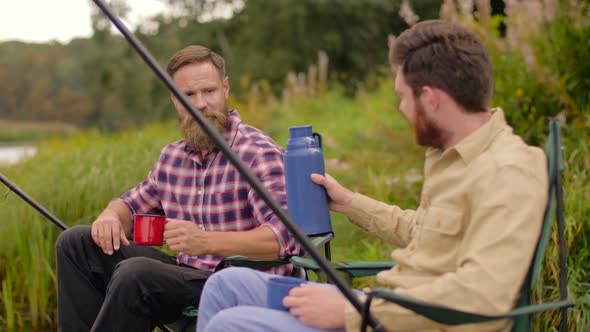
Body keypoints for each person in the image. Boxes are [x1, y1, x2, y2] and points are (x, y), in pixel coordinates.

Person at [195, 20, 549, 332]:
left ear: (432, 99)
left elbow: (483, 295)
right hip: (386, 305)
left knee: (231, 325)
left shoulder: (507, 170)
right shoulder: (453, 157)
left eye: (403, 97)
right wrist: (349, 203)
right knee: (227, 285)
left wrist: (355, 311)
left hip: (396, 320)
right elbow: (425, 233)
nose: (401, 109)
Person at [55, 45, 302, 332]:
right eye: (188, 95)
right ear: (174, 98)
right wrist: (111, 215)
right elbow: (131, 206)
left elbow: (284, 238)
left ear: (225, 89)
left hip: (241, 283)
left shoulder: (257, 152)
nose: (200, 104)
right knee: (75, 242)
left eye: (208, 92)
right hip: (186, 275)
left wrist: (207, 241)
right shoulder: (172, 156)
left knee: (136, 274)